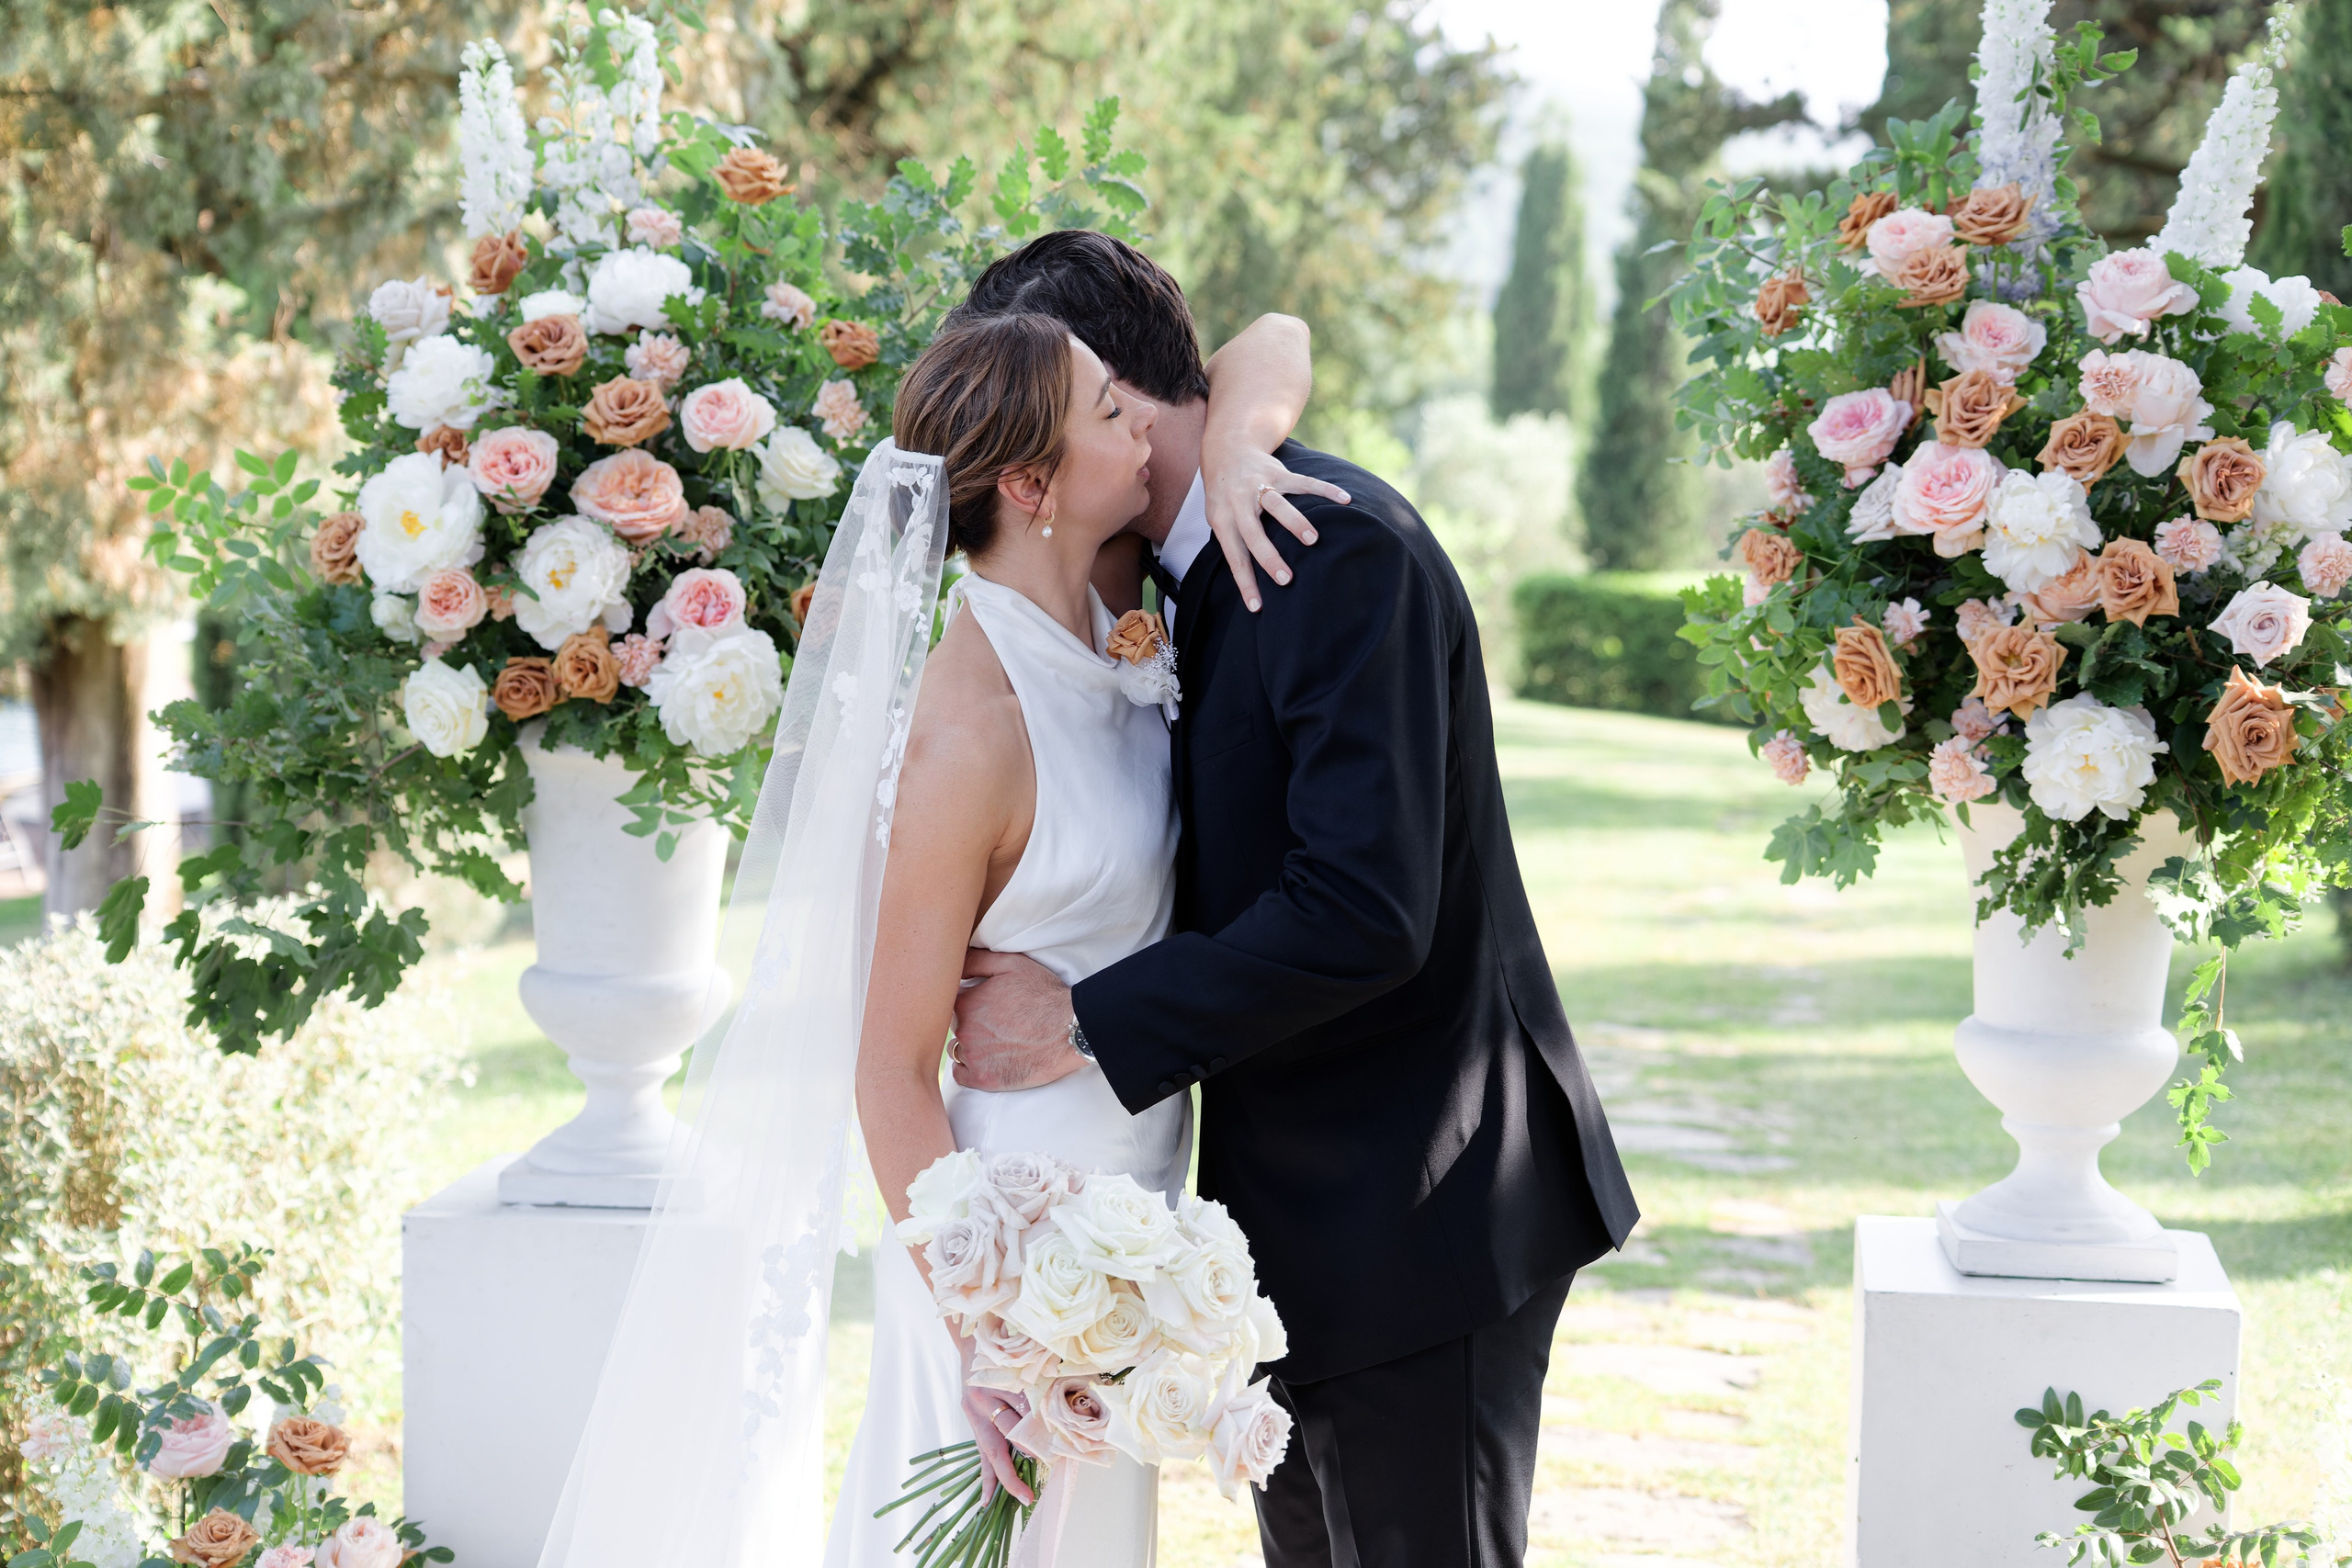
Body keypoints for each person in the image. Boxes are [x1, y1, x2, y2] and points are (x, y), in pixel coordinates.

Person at [944, 231, 1642, 1568]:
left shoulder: (1331, 551)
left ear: (1124, 404)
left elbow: (1365, 906)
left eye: (1056, 398)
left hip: (1419, 1211)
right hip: (1300, 1237)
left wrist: (1088, 1020)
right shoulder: (1169, 563)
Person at [826, 307, 1343, 1566]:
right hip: (1011, 1243)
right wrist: (980, 1335)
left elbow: (1270, 338)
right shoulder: (973, 732)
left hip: (1142, 1218)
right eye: (1111, 412)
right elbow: (889, 1070)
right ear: (1031, 484)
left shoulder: (1111, 591)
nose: (1149, 424)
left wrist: (1239, 455)